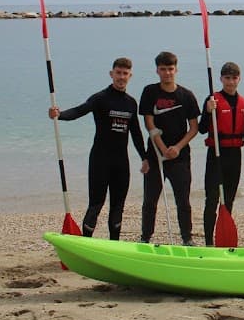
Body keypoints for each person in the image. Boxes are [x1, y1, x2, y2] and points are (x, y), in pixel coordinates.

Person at [47, 57, 147, 240]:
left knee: (118, 206)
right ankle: (86, 242)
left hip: (121, 163)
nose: (121, 77)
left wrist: (144, 157)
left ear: (130, 76)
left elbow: (136, 133)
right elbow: (79, 111)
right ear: (111, 74)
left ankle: (114, 244)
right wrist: (59, 115)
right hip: (100, 161)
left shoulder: (131, 103)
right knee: (96, 204)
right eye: (118, 73)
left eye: (125, 74)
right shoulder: (100, 98)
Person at [139, 51, 200, 245]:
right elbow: (149, 122)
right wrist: (163, 148)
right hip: (156, 155)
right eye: (163, 69)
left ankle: (187, 238)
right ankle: (146, 237)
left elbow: (194, 128)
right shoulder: (150, 92)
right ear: (157, 70)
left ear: (176, 70)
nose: (167, 73)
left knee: (183, 201)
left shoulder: (186, 95)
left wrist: (177, 147)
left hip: (180, 157)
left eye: (170, 69)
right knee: (150, 200)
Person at [197, 61, 244, 246]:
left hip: (234, 156)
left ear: (239, 79)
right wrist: (207, 112)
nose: (230, 82)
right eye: (227, 78)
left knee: (228, 200)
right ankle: (207, 241)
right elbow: (201, 129)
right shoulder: (212, 99)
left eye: (234, 78)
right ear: (221, 79)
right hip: (216, 155)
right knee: (212, 199)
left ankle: (223, 237)